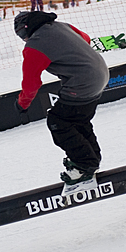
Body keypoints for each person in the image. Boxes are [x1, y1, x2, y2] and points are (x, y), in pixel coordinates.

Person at [14, 11, 109, 186]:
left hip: (83, 82)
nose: (24, 39)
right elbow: (85, 39)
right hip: (101, 73)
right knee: (78, 120)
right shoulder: (62, 26)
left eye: (21, 35)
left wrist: (22, 104)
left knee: (58, 122)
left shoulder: (34, 46)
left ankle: (84, 165)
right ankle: (91, 159)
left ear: (25, 31)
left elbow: (31, 82)